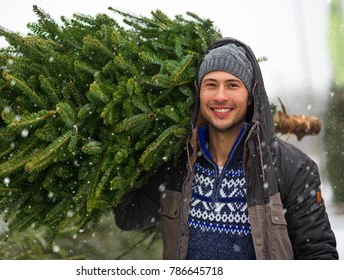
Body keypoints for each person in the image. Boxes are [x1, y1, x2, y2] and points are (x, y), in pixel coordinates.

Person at [114, 37, 339, 260]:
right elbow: (128, 216)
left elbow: (319, 256)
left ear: (250, 96)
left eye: (232, 85)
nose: (220, 96)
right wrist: (119, 146)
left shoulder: (291, 169)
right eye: (211, 85)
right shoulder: (179, 165)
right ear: (199, 93)